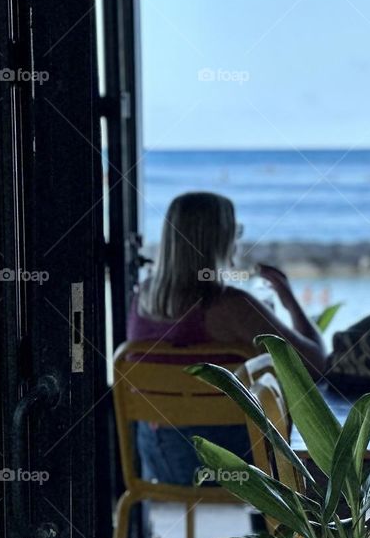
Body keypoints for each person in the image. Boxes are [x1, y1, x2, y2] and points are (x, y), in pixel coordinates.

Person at [127, 191, 326, 485]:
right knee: (321, 462)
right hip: (227, 463)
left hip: (159, 458)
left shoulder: (142, 297)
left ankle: (276, 526)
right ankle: (299, 527)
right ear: (221, 239)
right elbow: (316, 365)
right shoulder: (230, 305)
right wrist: (289, 300)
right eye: (236, 232)